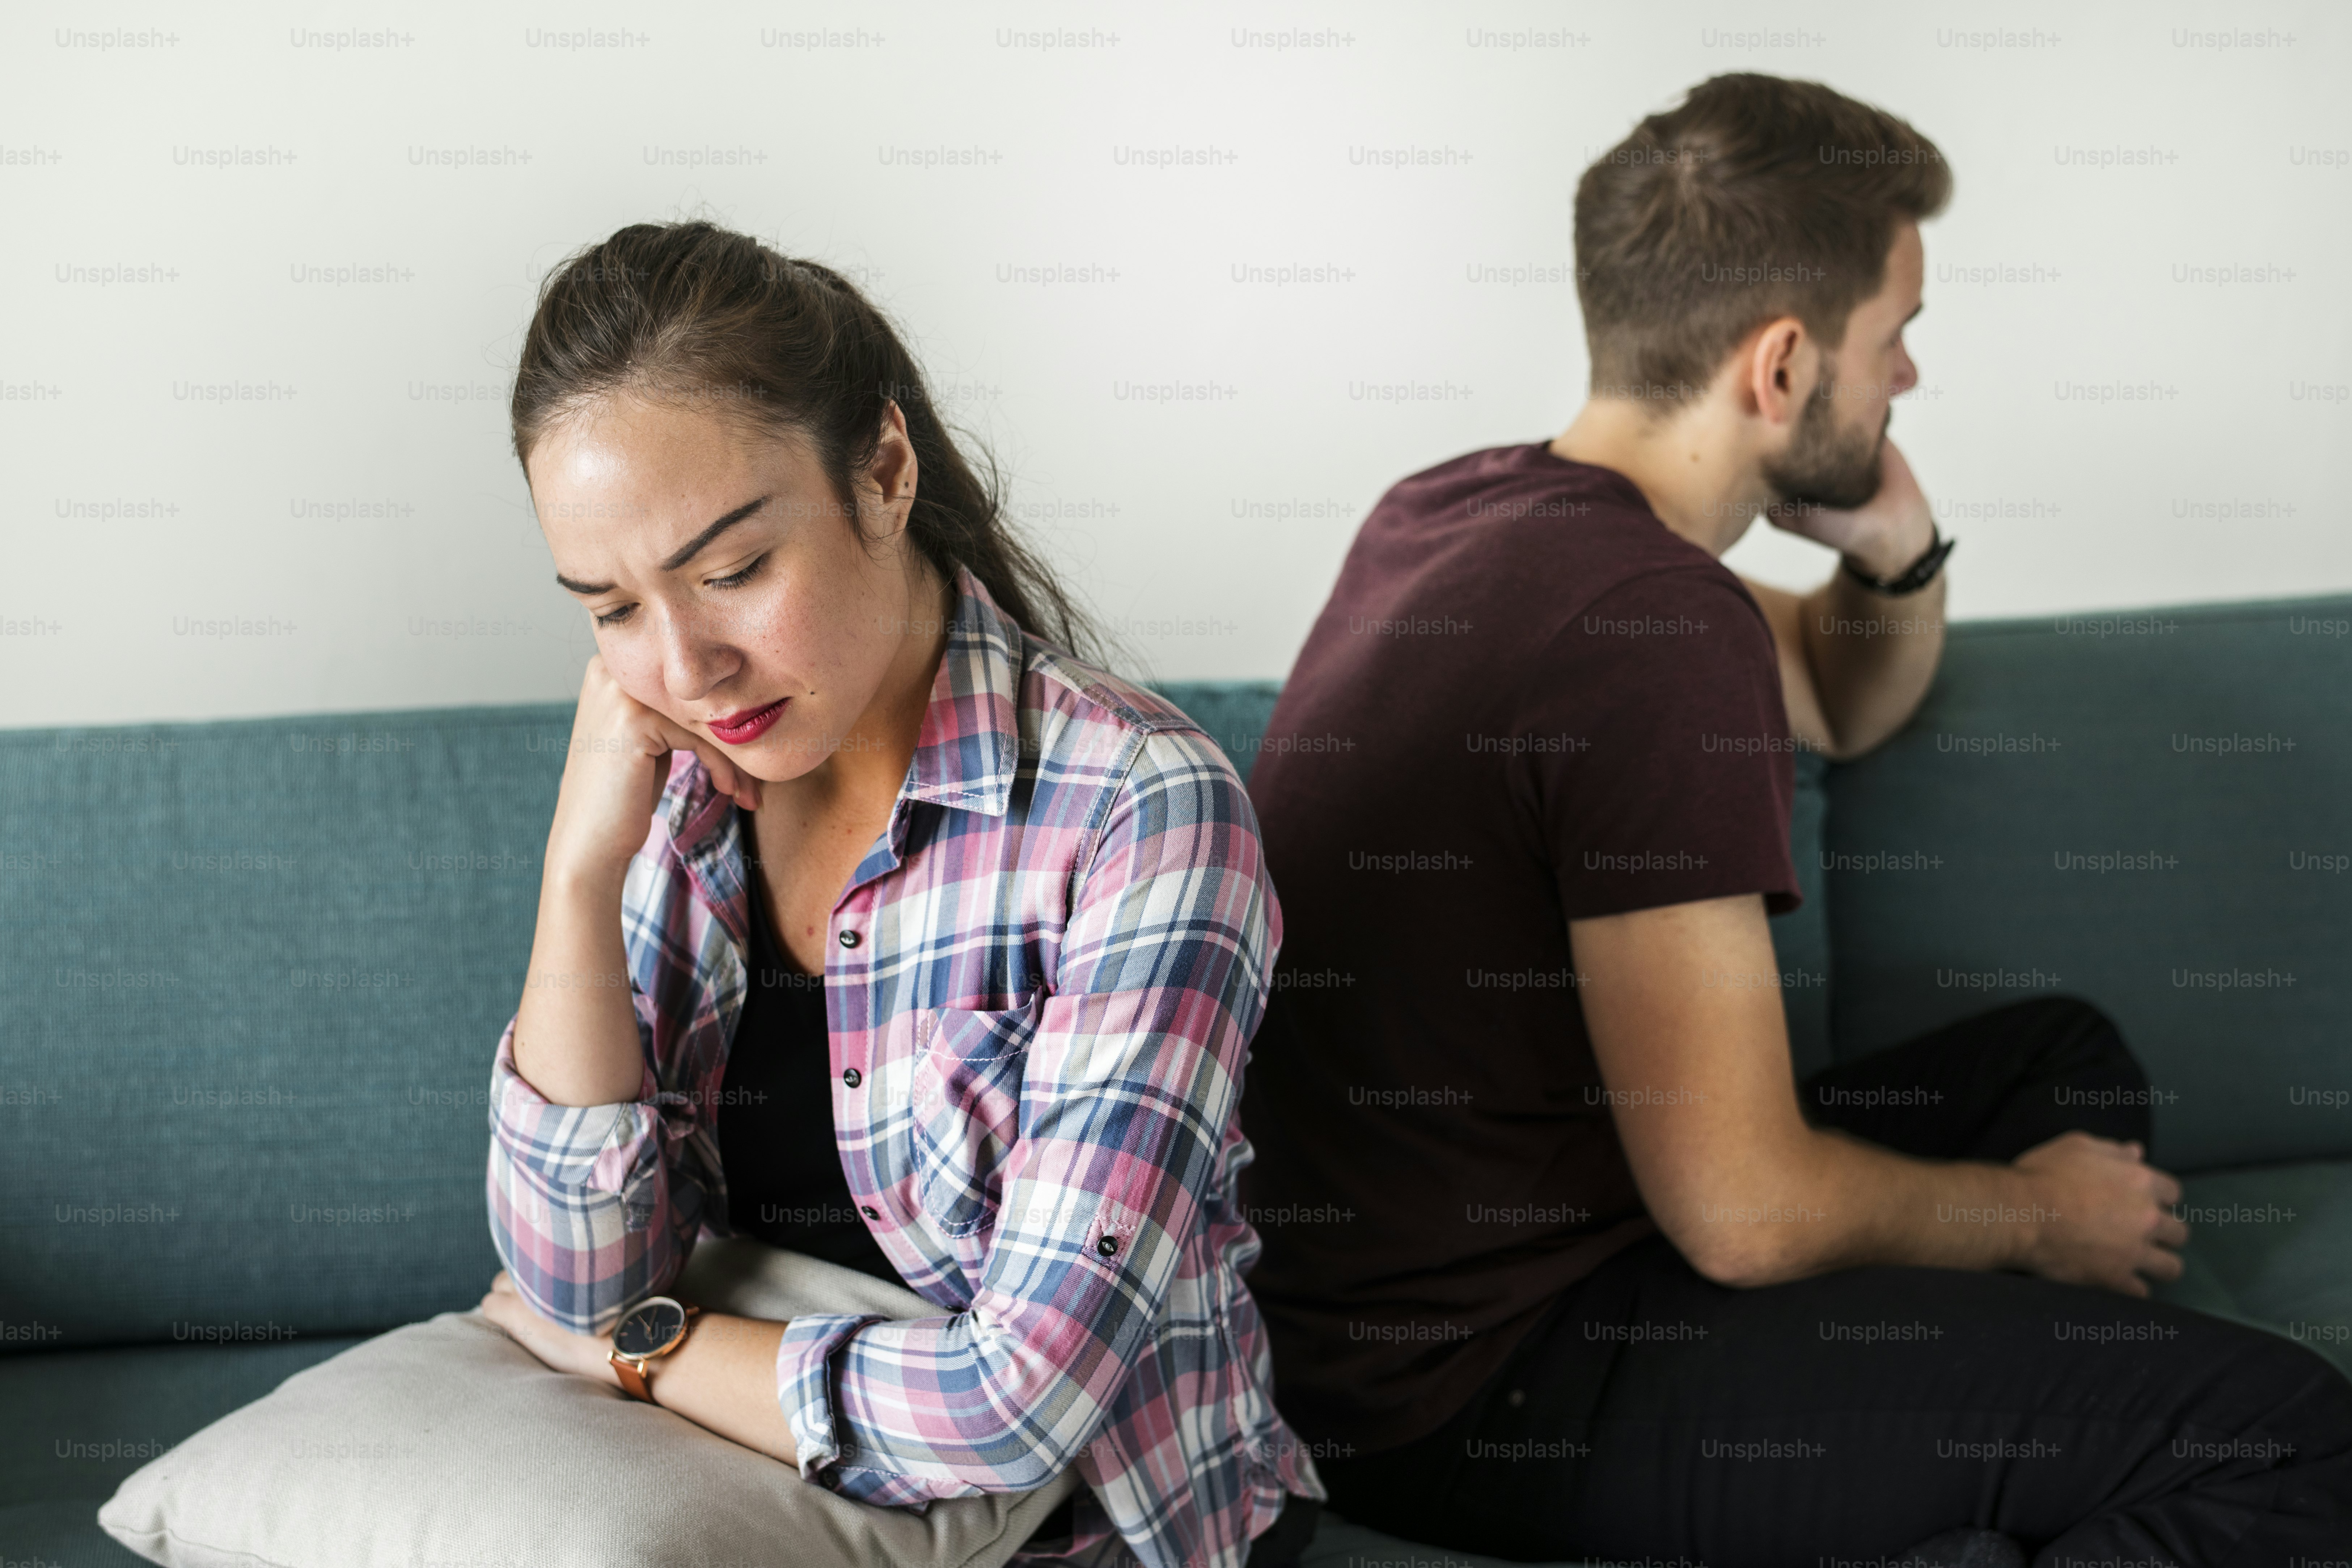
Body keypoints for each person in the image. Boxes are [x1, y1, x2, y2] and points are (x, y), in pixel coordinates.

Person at [1239, 74, 2352, 1564]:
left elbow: (1837, 700)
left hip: (1412, 1296)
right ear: (1779, 365)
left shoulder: (1452, 510)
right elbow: (1745, 1214)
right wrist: (2027, 1223)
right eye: (1892, 335)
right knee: (2291, 1442)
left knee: (2056, 1058)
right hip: (1481, 1386)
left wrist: (1891, 548)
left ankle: (1961, 1464)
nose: (1902, 379)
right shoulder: (1651, 624)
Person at [473, 220, 1324, 1568]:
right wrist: (577, 879)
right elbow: (571, 1273)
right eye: (611, 608)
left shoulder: (1139, 811)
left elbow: (1015, 1408)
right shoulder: (676, 797)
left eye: (735, 571)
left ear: (882, 470)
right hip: (769, 1521)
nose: (686, 665)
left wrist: (649, 1347)